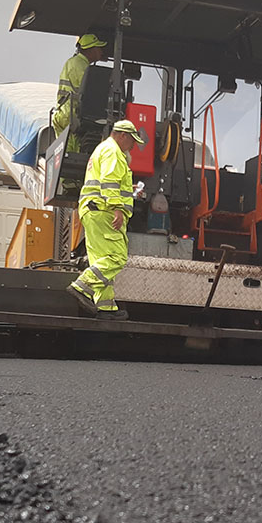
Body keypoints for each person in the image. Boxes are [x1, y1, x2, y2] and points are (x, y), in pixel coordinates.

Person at [66, 120, 147, 320]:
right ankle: (81, 286)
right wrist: (117, 208)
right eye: (132, 141)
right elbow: (109, 182)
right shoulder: (113, 152)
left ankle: (105, 308)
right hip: (104, 212)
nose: (133, 146)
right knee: (116, 258)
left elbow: (107, 181)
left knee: (102, 262)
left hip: (93, 210)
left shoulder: (101, 150)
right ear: (122, 136)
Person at [51, 33, 109, 152]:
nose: (101, 52)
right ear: (91, 50)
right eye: (99, 48)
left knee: (66, 150)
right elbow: (90, 91)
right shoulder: (82, 66)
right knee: (76, 150)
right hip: (72, 114)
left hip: (63, 112)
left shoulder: (72, 62)